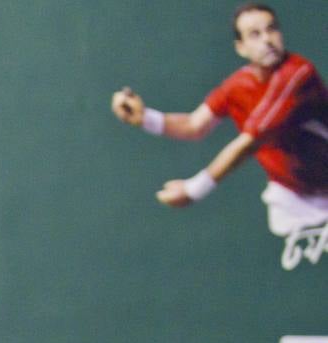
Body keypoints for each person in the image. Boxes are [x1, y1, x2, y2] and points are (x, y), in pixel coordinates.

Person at [110, 4, 328, 235]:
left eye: (272, 30)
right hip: (294, 194)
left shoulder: (296, 75)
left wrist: (194, 190)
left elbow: (248, 144)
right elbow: (194, 125)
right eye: (255, 34)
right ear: (240, 47)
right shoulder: (237, 86)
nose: (267, 40)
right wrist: (144, 118)